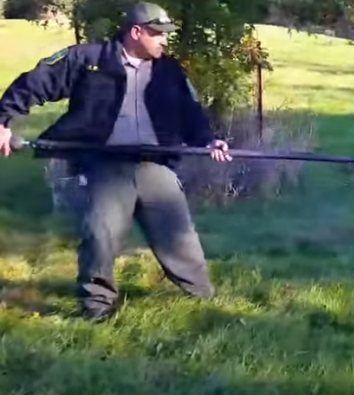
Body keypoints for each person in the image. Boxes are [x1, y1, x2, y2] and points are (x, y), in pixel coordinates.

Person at [0, 2, 232, 322]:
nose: (164, 41)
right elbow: (34, 83)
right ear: (136, 32)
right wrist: (4, 120)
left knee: (180, 235)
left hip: (153, 163)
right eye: (157, 34)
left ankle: (203, 297)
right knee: (101, 232)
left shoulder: (169, 70)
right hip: (106, 164)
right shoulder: (89, 60)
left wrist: (209, 140)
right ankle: (96, 307)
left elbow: (191, 112)